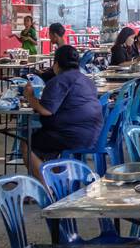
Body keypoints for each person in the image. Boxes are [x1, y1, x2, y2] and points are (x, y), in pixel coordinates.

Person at [20, 44, 103, 181]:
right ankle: (57, 181)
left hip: (72, 135)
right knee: (46, 141)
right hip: (93, 133)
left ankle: (47, 187)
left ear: (56, 64)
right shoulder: (86, 80)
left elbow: (46, 111)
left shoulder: (58, 81)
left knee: (27, 143)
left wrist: (30, 97)